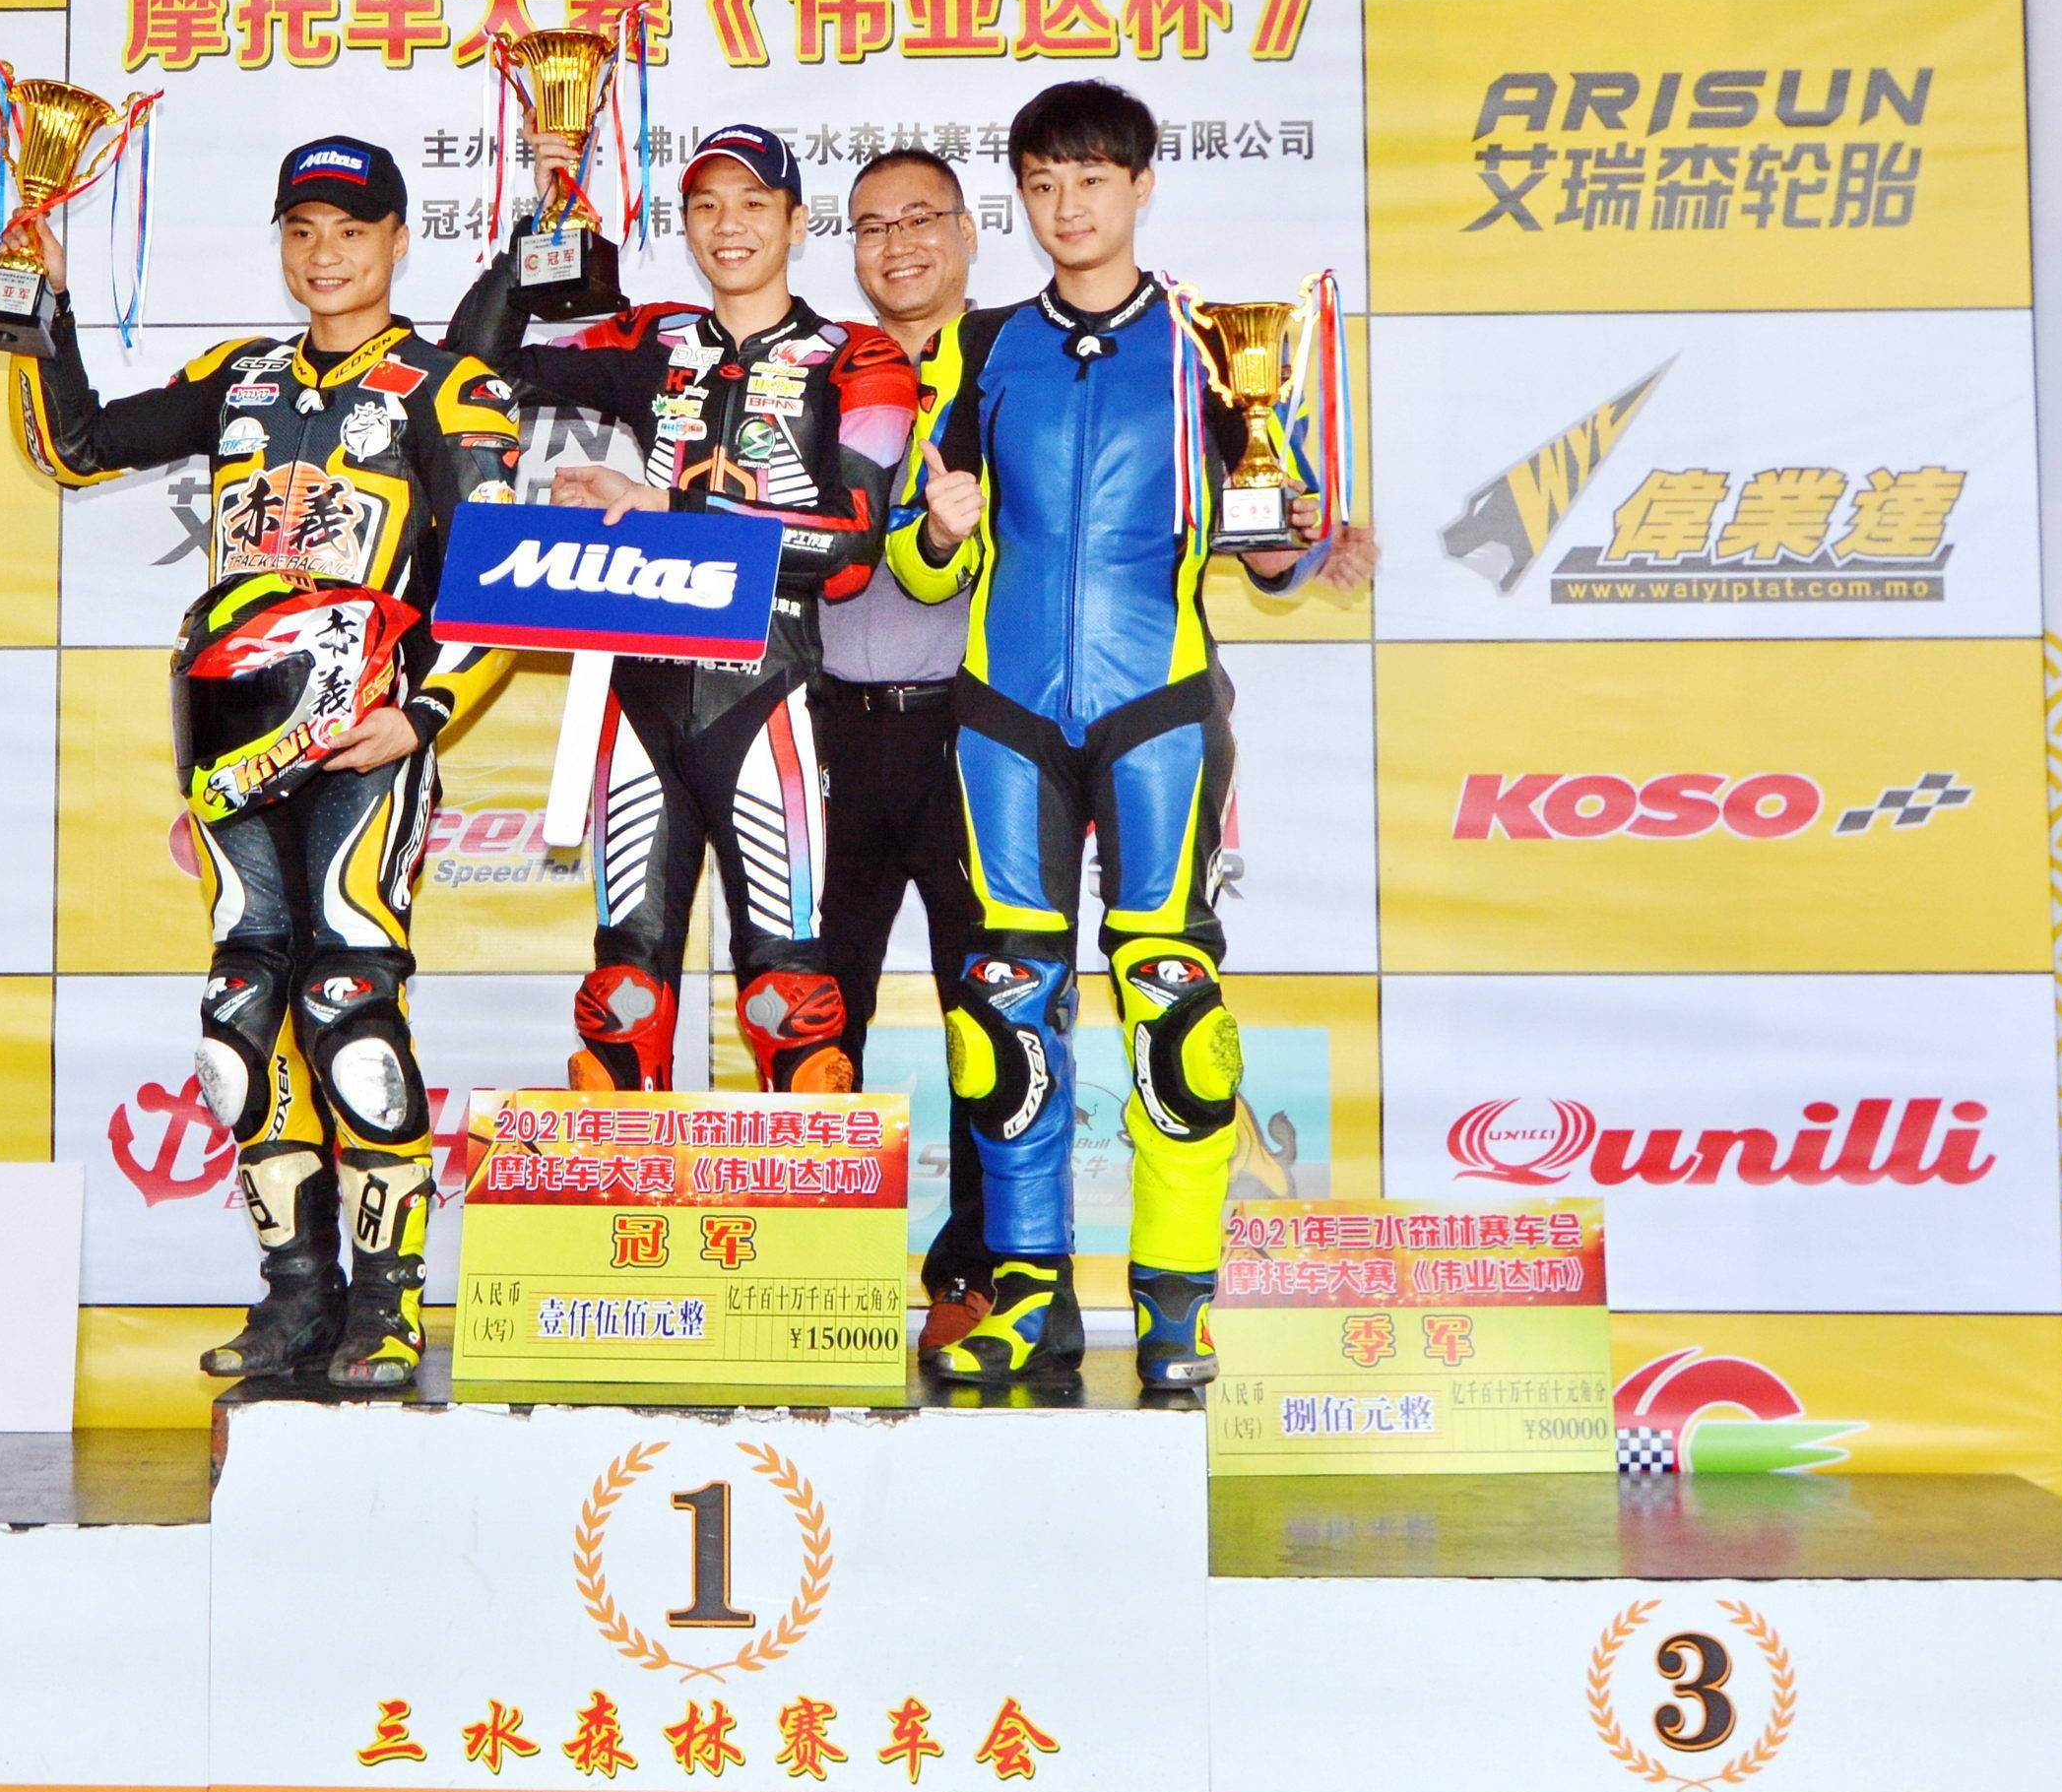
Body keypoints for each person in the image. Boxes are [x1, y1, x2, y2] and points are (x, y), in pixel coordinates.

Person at [7, 136, 518, 1392]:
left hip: (362, 739)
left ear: (398, 240)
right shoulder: (238, 375)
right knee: (240, 1018)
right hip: (233, 747)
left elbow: (495, 573)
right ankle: (297, 1297)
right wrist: (41, 305)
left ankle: (386, 1306)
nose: (324, 253)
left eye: (351, 228)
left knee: (348, 1012)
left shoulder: (451, 388)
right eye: (302, 229)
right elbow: (75, 444)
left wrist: (426, 713)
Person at [888, 80, 1375, 1390]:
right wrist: (935, 526)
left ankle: (1176, 1308)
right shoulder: (981, 346)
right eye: (1045, 184)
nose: (1069, 207)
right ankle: (1028, 1300)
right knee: (1007, 1011)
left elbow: (1273, 548)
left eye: (1093, 181)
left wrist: (1296, 540)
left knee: (1173, 1003)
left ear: (1142, 186)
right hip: (1005, 714)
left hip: (1158, 706)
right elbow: (921, 567)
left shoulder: (1214, 346)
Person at [449, 123, 920, 1097]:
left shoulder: (860, 357)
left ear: (797, 222)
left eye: (752, 203)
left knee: (792, 1000)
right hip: (641, 689)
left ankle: (799, 1191)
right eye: (706, 205)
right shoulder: (653, 338)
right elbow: (470, 363)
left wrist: (670, 507)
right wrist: (543, 222)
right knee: (621, 998)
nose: (728, 225)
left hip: (773, 692)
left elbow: (849, 546)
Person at [825, 146, 995, 1333]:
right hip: (829, 724)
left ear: (969, 232)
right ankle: (814, 1266)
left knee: (986, 1010)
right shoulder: (818, 370)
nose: (898, 245)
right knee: (814, 1004)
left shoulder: (1015, 363)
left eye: (920, 218)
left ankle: (975, 1271)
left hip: (974, 731)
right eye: (873, 225)